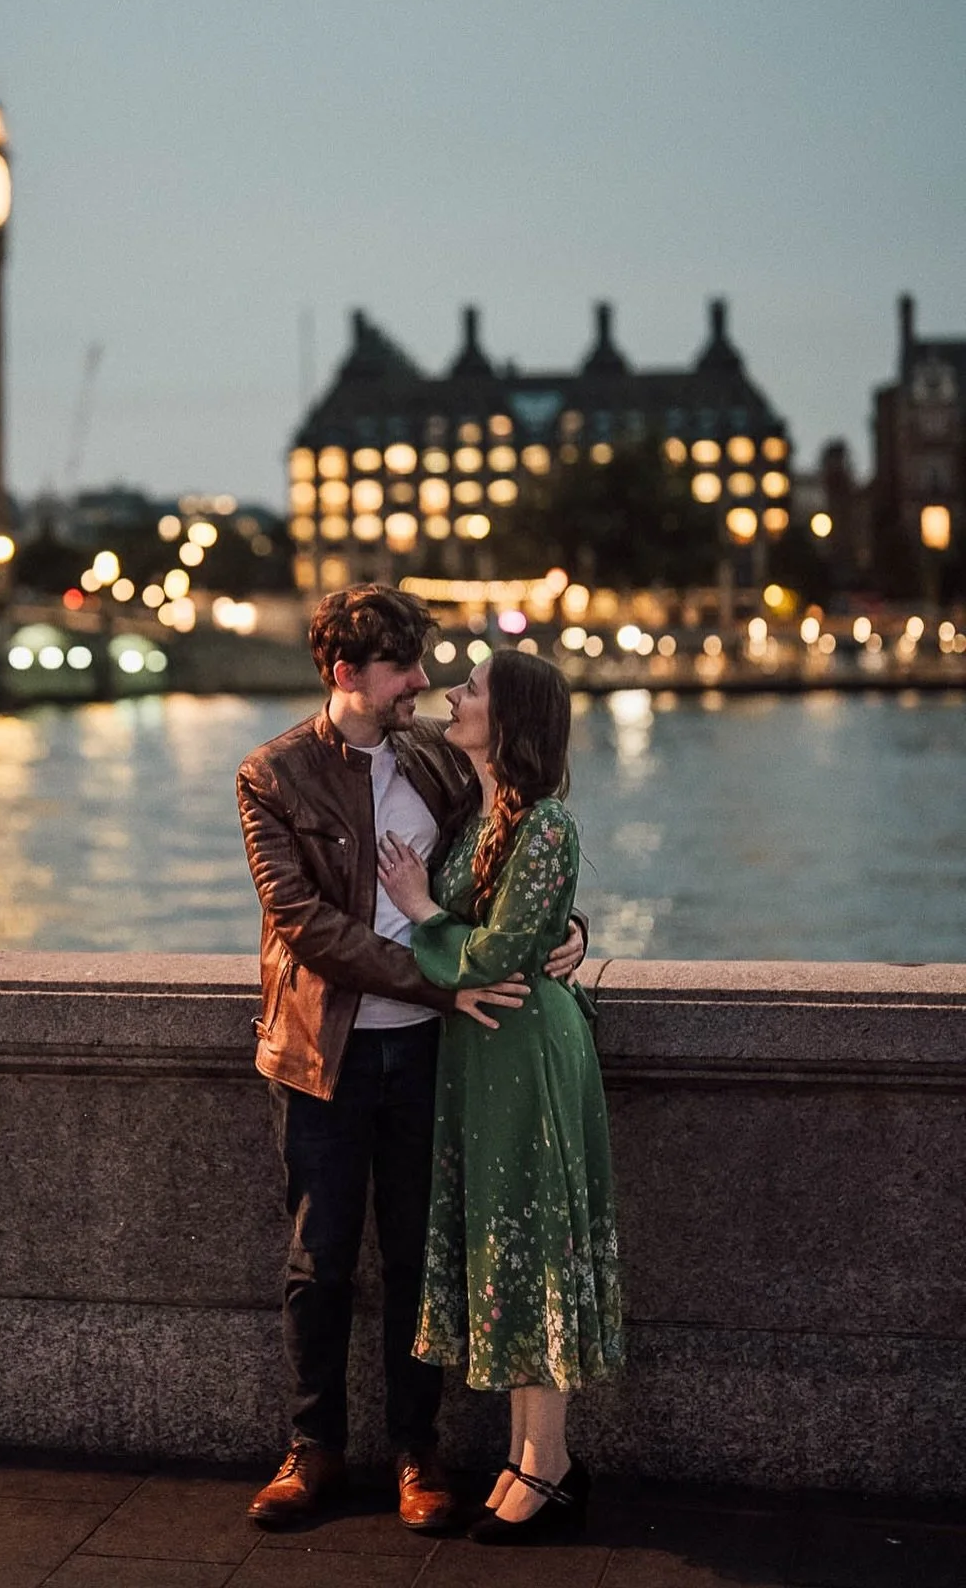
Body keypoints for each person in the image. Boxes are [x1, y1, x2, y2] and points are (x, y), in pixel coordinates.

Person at [236, 584, 587, 1533]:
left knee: (418, 1263)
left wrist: (565, 930)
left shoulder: (435, 760)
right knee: (321, 1260)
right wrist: (442, 982)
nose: (424, 684)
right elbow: (306, 926)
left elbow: (518, 849)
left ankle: (415, 1453)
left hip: (432, 1054)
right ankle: (312, 1452)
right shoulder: (271, 775)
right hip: (325, 1053)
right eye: (404, 670)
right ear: (347, 675)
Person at [377, 646, 624, 1545]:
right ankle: (530, 1454)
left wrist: (425, 910)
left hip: (524, 1051)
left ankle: (548, 1466)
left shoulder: (545, 824)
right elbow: (514, 928)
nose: (454, 693)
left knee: (533, 1246)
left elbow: (498, 956)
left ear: (509, 721)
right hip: (480, 1057)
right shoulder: (483, 811)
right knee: (503, 1247)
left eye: (472, 688)